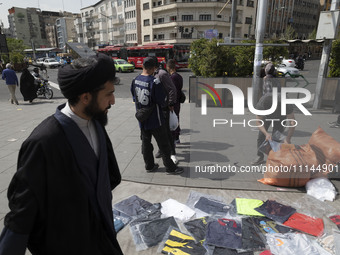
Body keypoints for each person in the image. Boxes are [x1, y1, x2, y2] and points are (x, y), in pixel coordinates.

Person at [0, 53, 123, 255]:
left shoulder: (96, 122)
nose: (113, 101)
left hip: (102, 234)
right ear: (85, 97)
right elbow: (22, 211)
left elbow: (105, 175)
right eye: (108, 94)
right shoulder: (44, 141)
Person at [131, 56, 183, 175]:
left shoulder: (135, 80)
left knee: (145, 142)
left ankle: (149, 165)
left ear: (143, 66)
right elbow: (161, 100)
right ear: (154, 68)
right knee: (164, 144)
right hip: (156, 118)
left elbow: (134, 97)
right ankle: (170, 167)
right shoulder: (154, 81)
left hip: (142, 118)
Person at [251, 91, 296, 166]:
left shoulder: (286, 103)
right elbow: (258, 122)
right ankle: (260, 156)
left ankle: (275, 158)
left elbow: (292, 122)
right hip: (266, 118)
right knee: (261, 136)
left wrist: (288, 138)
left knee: (277, 136)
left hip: (281, 117)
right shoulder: (261, 104)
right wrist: (266, 134)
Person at [152, 57, 178, 164]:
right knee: (159, 132)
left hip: (164, 107)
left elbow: (172, 89)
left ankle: (172, 153)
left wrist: (171, 103)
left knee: (167, 132)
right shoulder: (152, 74)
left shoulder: (162, 74)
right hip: (156, 108)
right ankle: (161, 150)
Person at [166, 59, 183, 144]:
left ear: (168, 67)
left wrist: (170, 102)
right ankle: (176, 137)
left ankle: (175, 138)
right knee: (176, 119)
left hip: (174, 102)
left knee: (173, 120)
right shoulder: (179, 76)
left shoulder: (172, 77)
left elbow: (173, 91)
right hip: (178, 101)